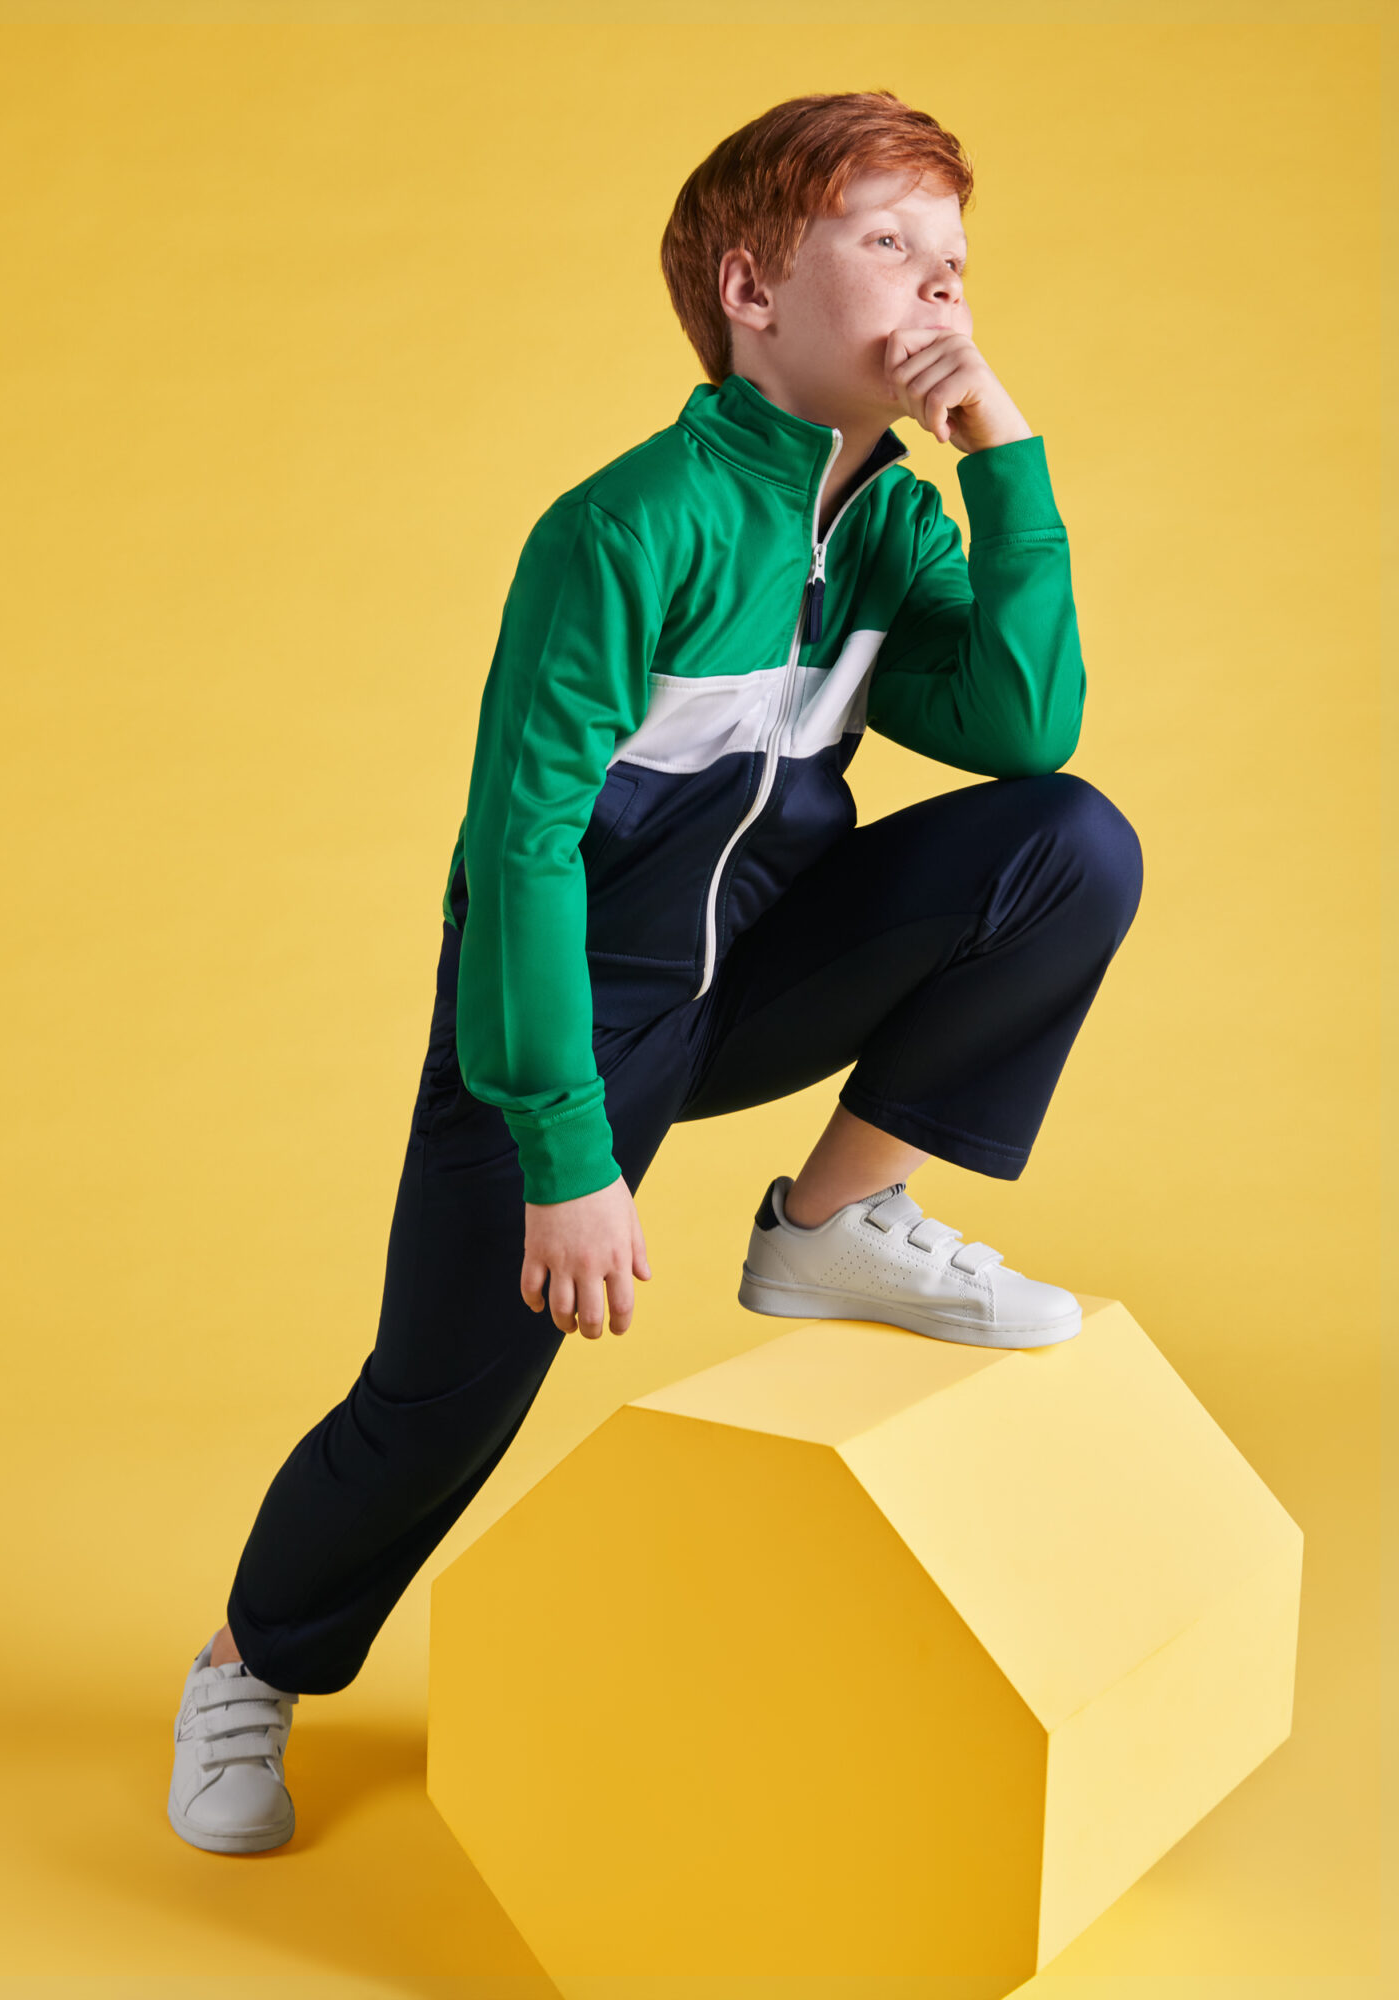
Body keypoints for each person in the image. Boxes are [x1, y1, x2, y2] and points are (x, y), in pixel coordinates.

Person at [167, 88, 1144, 1855]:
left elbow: (1024, 725)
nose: (941, 286)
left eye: (956, 257)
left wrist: (1003, 456)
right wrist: (566, 1155)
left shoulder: (896, 529)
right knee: (439, 1404)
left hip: (755, 974)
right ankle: (252, 1660)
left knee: (1068, 843)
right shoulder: (626, 529)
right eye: (889, 244)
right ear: (754, 292)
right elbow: (521, 852)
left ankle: (831, 1226)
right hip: (566, 1019)